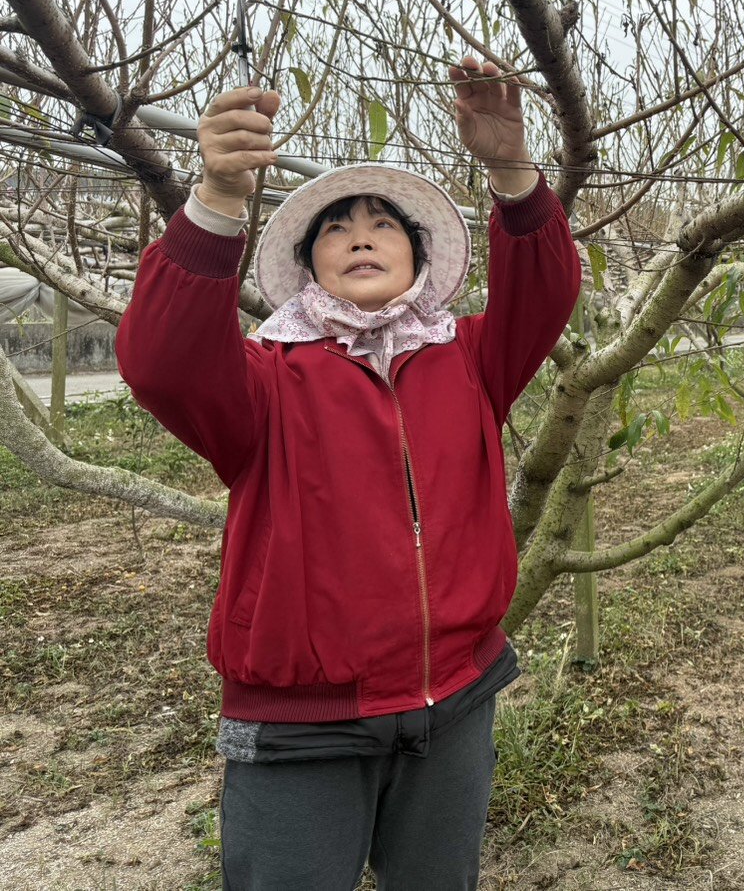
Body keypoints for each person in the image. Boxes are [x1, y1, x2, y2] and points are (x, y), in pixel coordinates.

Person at [116, 57, 582, 890]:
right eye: (335, 228)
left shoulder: (469, 358)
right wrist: (216, 196)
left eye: (381, 224)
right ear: (310, 266)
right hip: (305, 722)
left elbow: (543, 290)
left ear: (417, 256)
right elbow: (163, 361)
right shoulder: (266, 379)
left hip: (456, 699)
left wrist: (512, 166)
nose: (360, 235)